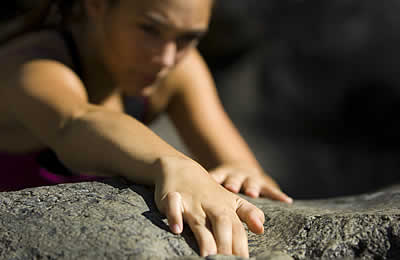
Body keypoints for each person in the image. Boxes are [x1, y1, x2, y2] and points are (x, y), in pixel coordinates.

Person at [0, 0, 292, 257]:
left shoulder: (177, 68)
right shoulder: (29, 67)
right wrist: (176, 165)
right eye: (149, 29)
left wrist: (243, 177)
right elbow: (76, 123)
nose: (166, 58)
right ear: (96, 4)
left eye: (189, 37)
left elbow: (242, 169)